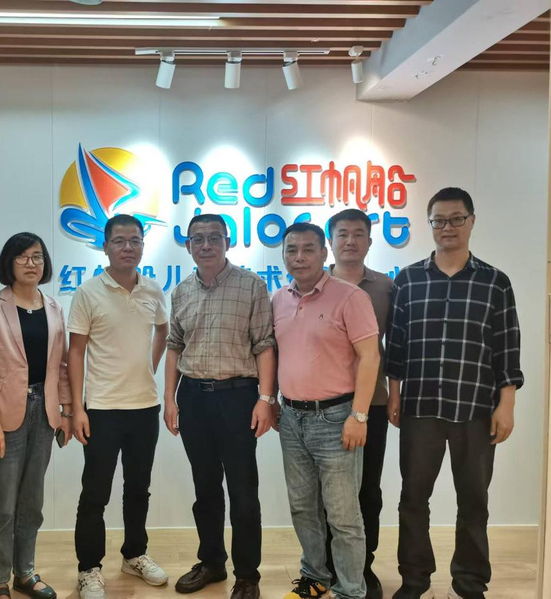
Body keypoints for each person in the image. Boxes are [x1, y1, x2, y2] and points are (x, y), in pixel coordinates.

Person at [386, 188, 524, 599]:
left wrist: (507, 405)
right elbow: (396, 345)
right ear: (429, 224)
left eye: (456, 219)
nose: (447, 227)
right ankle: (414, 580)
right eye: (439, 220)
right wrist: (394, 394)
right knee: (413, 499)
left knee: (474, 502)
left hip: (476, 408)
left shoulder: (495, 282)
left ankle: (469, 583)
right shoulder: (408, 279)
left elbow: (506, 347)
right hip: (420, 407)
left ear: (472, 221)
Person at [164, 213, 277, 599]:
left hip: (238, 397)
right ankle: (212, 562)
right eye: (198, 239)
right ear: (188, 246)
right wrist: (169, 398)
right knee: (205, 487)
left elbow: (264, 345)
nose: (206, 245)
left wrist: (265, 399)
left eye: (214, 237)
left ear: (227, 242)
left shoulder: (251, 285)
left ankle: (247, 575)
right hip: (193, 397)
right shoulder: (181, 291)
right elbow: (174, 345)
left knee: (244, 491)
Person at [272, 222, 380, 599]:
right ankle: (315, 577)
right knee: (303, 508)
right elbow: (276, 354)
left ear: (324, 253)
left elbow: (370, 357)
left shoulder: (350, 297)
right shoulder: (279, 299)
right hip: (291, 419)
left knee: (343, 516)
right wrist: (272, 400)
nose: (299, 257)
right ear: (283, 255)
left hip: (337, 419)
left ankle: (350, 590)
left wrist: (359, 415)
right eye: (291, 250)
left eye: (308, 249)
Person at [68, 214, 170, 599]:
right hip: (101, 409)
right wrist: (78, 408)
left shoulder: (153, 290)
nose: (128, 247)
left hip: (145, 408)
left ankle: (134, 554)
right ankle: (89, 568)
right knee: (95, 492)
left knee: (138, 488)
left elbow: (163, 330)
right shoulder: (88, 292)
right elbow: (75, 353)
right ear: (106, 246)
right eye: (120, 241)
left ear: (143, 245)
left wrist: (149, 367)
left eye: (135, 240)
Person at [0, 232, 72, 599]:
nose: (31, 263)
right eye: (23, 257)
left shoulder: (54, 307)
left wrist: (66, 411)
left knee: (32, 503)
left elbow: (62, 366)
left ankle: (24, 573)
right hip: (2, 417)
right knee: (2, 506)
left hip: (43, 414)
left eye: (38, 256)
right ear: (8, 262)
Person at [325, 209, 394, 599]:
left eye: (358, 234)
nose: (350, 241)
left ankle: (363, 567)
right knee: (326, 493)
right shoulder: (314, 282)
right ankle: (327, 567)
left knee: (367, 490)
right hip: (323, 405)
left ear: (369, 240)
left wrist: (395, 392)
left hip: (373, 404)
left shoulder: (385, 287)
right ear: (331, 241)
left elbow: (394, 346)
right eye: (342, 234)